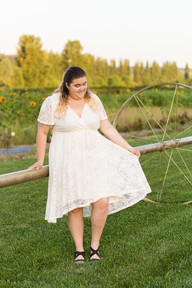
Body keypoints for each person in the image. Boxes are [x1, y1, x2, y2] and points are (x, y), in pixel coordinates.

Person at [29, 66, 151, 263]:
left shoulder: (93, 100)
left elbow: (107, 127)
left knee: (102, 201)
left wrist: (128, 147)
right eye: (77, 85)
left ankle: (95, 245)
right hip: (67, 157)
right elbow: (42, 132)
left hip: (95, 155)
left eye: (84, 84)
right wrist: (40, 159)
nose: (82, 88)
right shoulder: (53, 103)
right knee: (75, 205)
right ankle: (79, 250)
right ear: (66, 85)